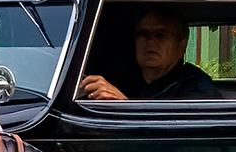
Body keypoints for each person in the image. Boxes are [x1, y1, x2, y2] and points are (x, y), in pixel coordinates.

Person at [78, 7, 223, 100]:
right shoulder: (119, 79)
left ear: (181, 46)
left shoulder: (198, 87)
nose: (150, 41)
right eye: (143, 35)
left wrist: (124, 106)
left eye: (160, 35)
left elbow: (181, 134)